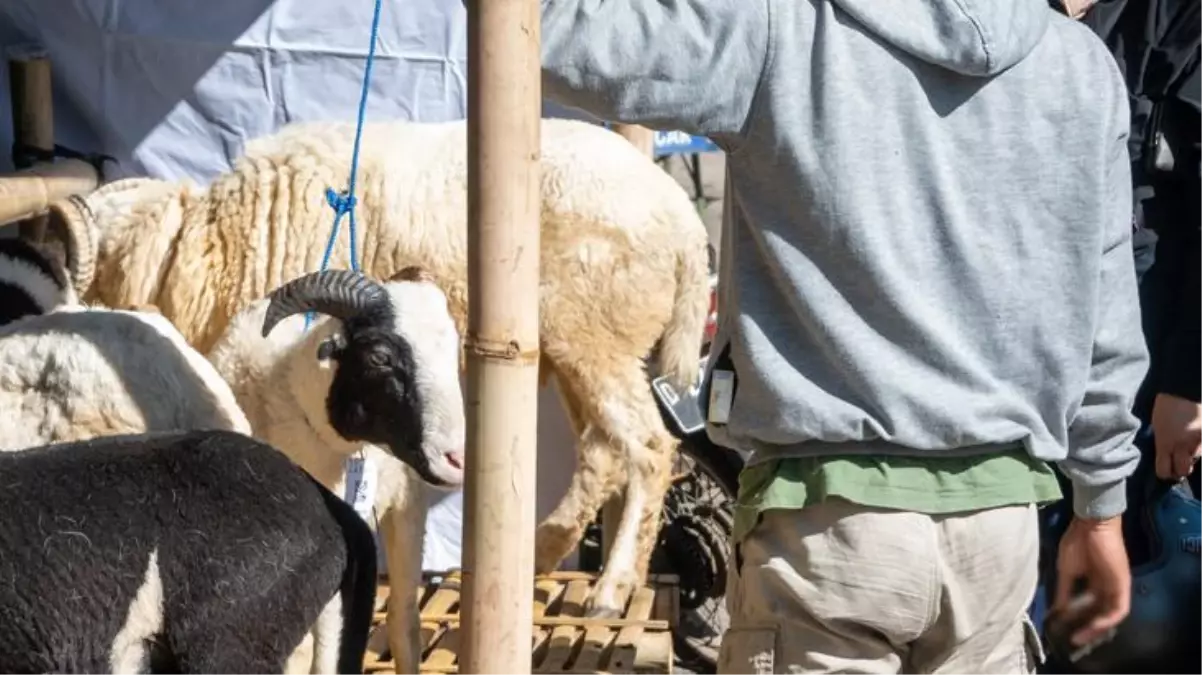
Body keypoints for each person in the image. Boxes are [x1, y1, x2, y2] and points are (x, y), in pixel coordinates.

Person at [538, 0, 1148, 672]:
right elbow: (1106, 311)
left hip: (828, 525)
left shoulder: (782, 27)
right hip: (996, 529)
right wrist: (1101, 507)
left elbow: (549, 31)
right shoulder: (1080, 64)